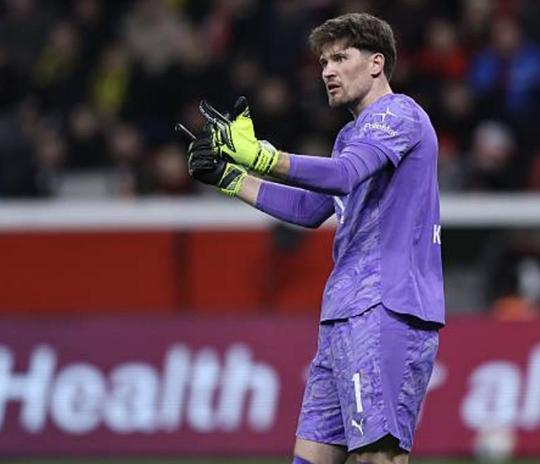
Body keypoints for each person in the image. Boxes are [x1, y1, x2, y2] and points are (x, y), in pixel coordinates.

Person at [184, 13, 444, 464]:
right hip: (343, 313)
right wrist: (232, 178)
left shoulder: (398, 114)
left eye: (341, 58)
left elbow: (343, 175)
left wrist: (263, 157)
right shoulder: (351, 135)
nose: (328, 70)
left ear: (377, 63)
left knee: (378, 457)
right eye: (324, 61)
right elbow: (312, 209)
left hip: (386, 307)